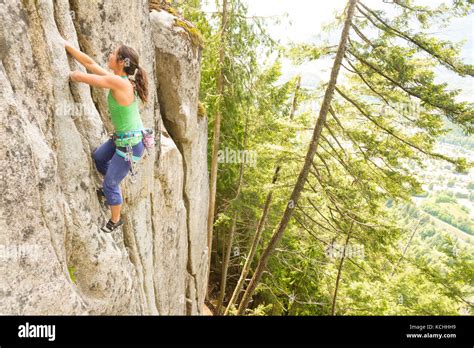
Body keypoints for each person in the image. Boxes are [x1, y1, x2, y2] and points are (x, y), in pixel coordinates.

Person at [64, 40, 149, 233]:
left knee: (110, 183)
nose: (109, 55)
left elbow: (85, 77)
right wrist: (67, 46)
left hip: (131, 146)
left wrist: (73, 75)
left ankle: (116, 220)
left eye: (113, 53)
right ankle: (113, 183)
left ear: (121, 62)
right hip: (122, 139)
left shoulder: (120, 82)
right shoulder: (120, 80)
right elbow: (91, 65)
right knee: (99, 158)